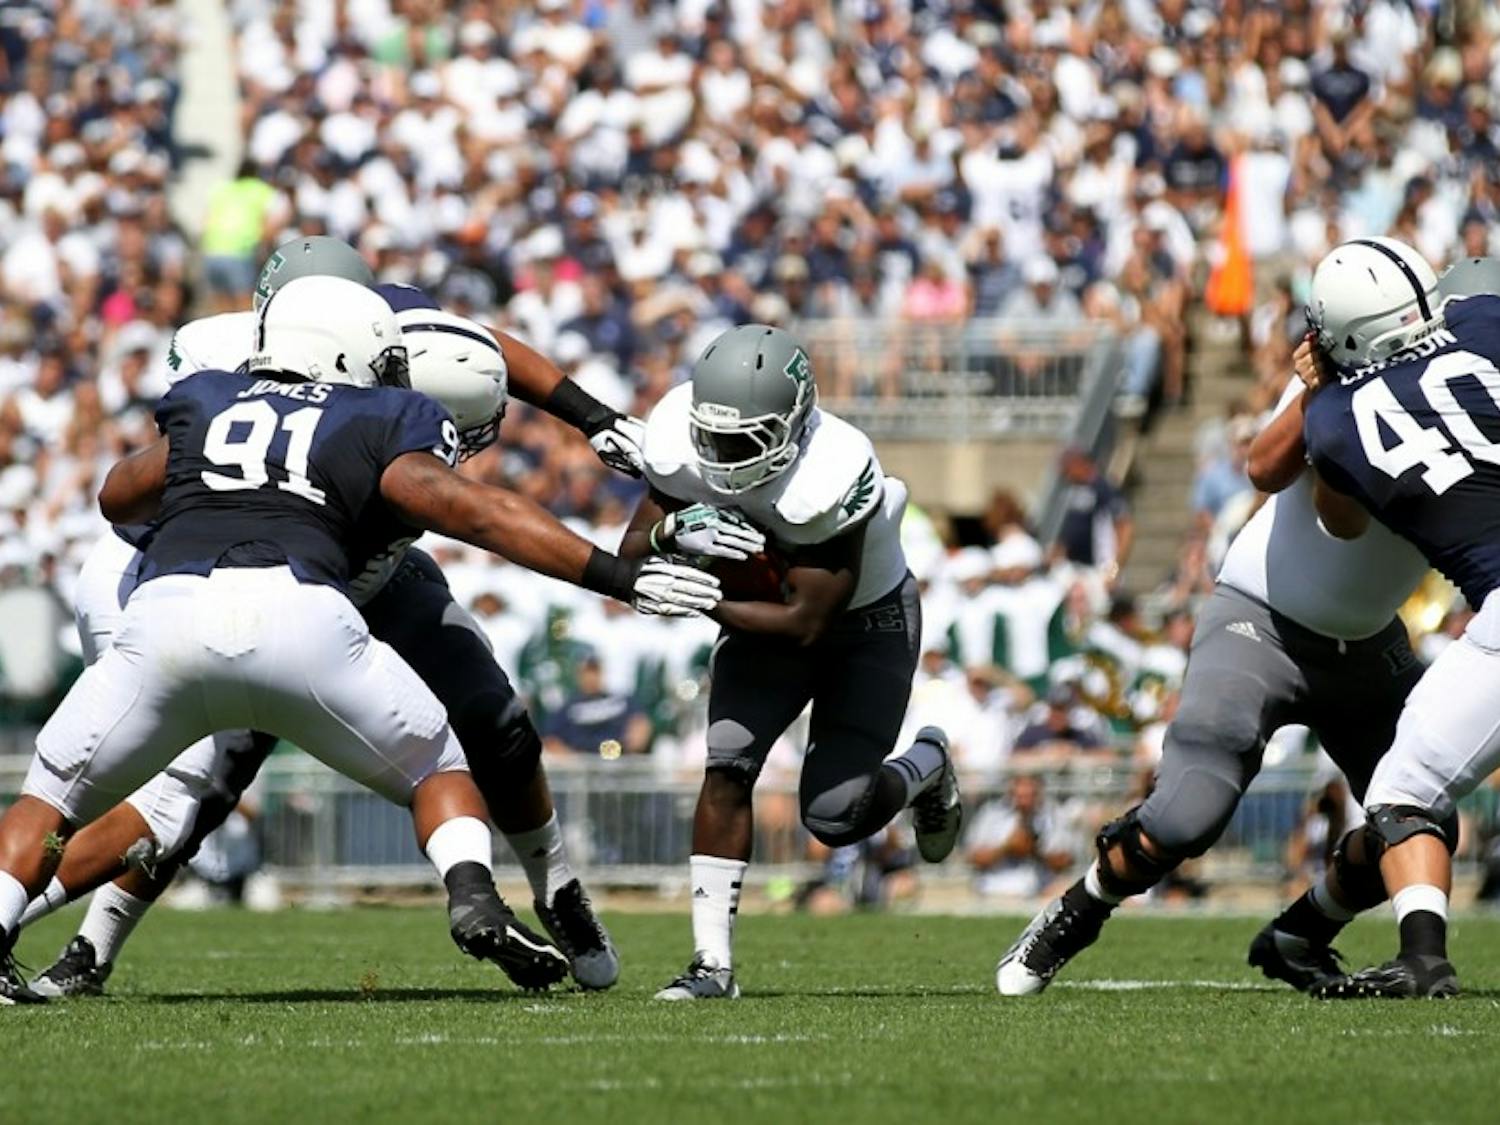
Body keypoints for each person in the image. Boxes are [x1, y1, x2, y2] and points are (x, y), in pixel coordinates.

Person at [0, 277, 720, 1004]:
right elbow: (478, 513)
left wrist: (589, 415)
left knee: (57, 793)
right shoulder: (367, 405)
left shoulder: (228, 385)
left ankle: (556, 888)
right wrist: (618, 575)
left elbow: (119, 490)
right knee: (406, 769)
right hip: (297, 603)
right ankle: (468, 891)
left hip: (194, 601)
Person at [994, 236, 1438, 998]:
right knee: (1186, 815)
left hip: (1368, 640)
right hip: (1261, 619)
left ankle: (1301, 931)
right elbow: (1266, 468)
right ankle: (1079, 907)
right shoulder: (1328, 387)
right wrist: (1317, 396)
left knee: (1424, 821)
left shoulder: (1451, 387)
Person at [619, 324, 963, 1000]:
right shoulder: (678, 440)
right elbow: (632, 550)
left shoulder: (830, 470)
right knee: (726, 767)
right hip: (758, 617)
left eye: (740, 441)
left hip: (863, 624)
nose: (718, 456)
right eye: (710, 437)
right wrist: (667, 532)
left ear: (794, 424)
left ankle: (928, 765)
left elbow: (808, 623)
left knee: (836, 817)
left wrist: (704, 597)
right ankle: (711, 965)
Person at [1298, 244, 1500, 998]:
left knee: (1402, 789)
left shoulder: (1333, 419)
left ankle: (1423, 957)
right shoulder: (1484, 320)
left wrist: (1319, 390)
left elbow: (1342, 523)